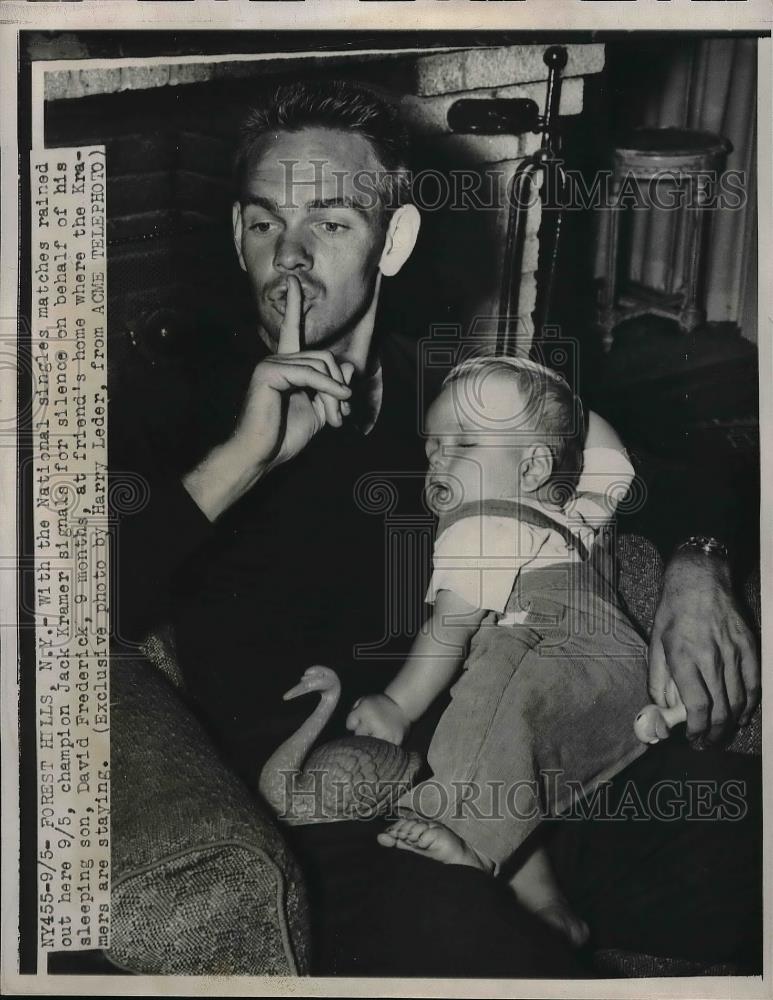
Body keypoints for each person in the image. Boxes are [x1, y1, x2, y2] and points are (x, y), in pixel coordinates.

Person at [111, 79, 761, 976]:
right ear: (236, 235)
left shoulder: (451, 395)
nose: (289, 258)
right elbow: (71, 614)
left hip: (528, 768)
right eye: (264, 224)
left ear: (395, 238)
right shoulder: (176, 405)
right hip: (344, 826)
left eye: (330, 224)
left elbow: (672, 467)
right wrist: (245, 457)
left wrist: (697, 571)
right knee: (483, 955)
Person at [346, 355, 651, 947]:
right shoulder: (573, 517)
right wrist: (564, 412)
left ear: (534, 463)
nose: (438, 455)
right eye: (433, 442)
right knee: (516, 756)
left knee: (478, 713)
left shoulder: (477, 526)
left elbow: (447, 630)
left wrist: (397, 705)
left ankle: (459, 835)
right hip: (620, 676)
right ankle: (546, 906)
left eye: (462, 441)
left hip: (545, 649)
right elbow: (613, 467)